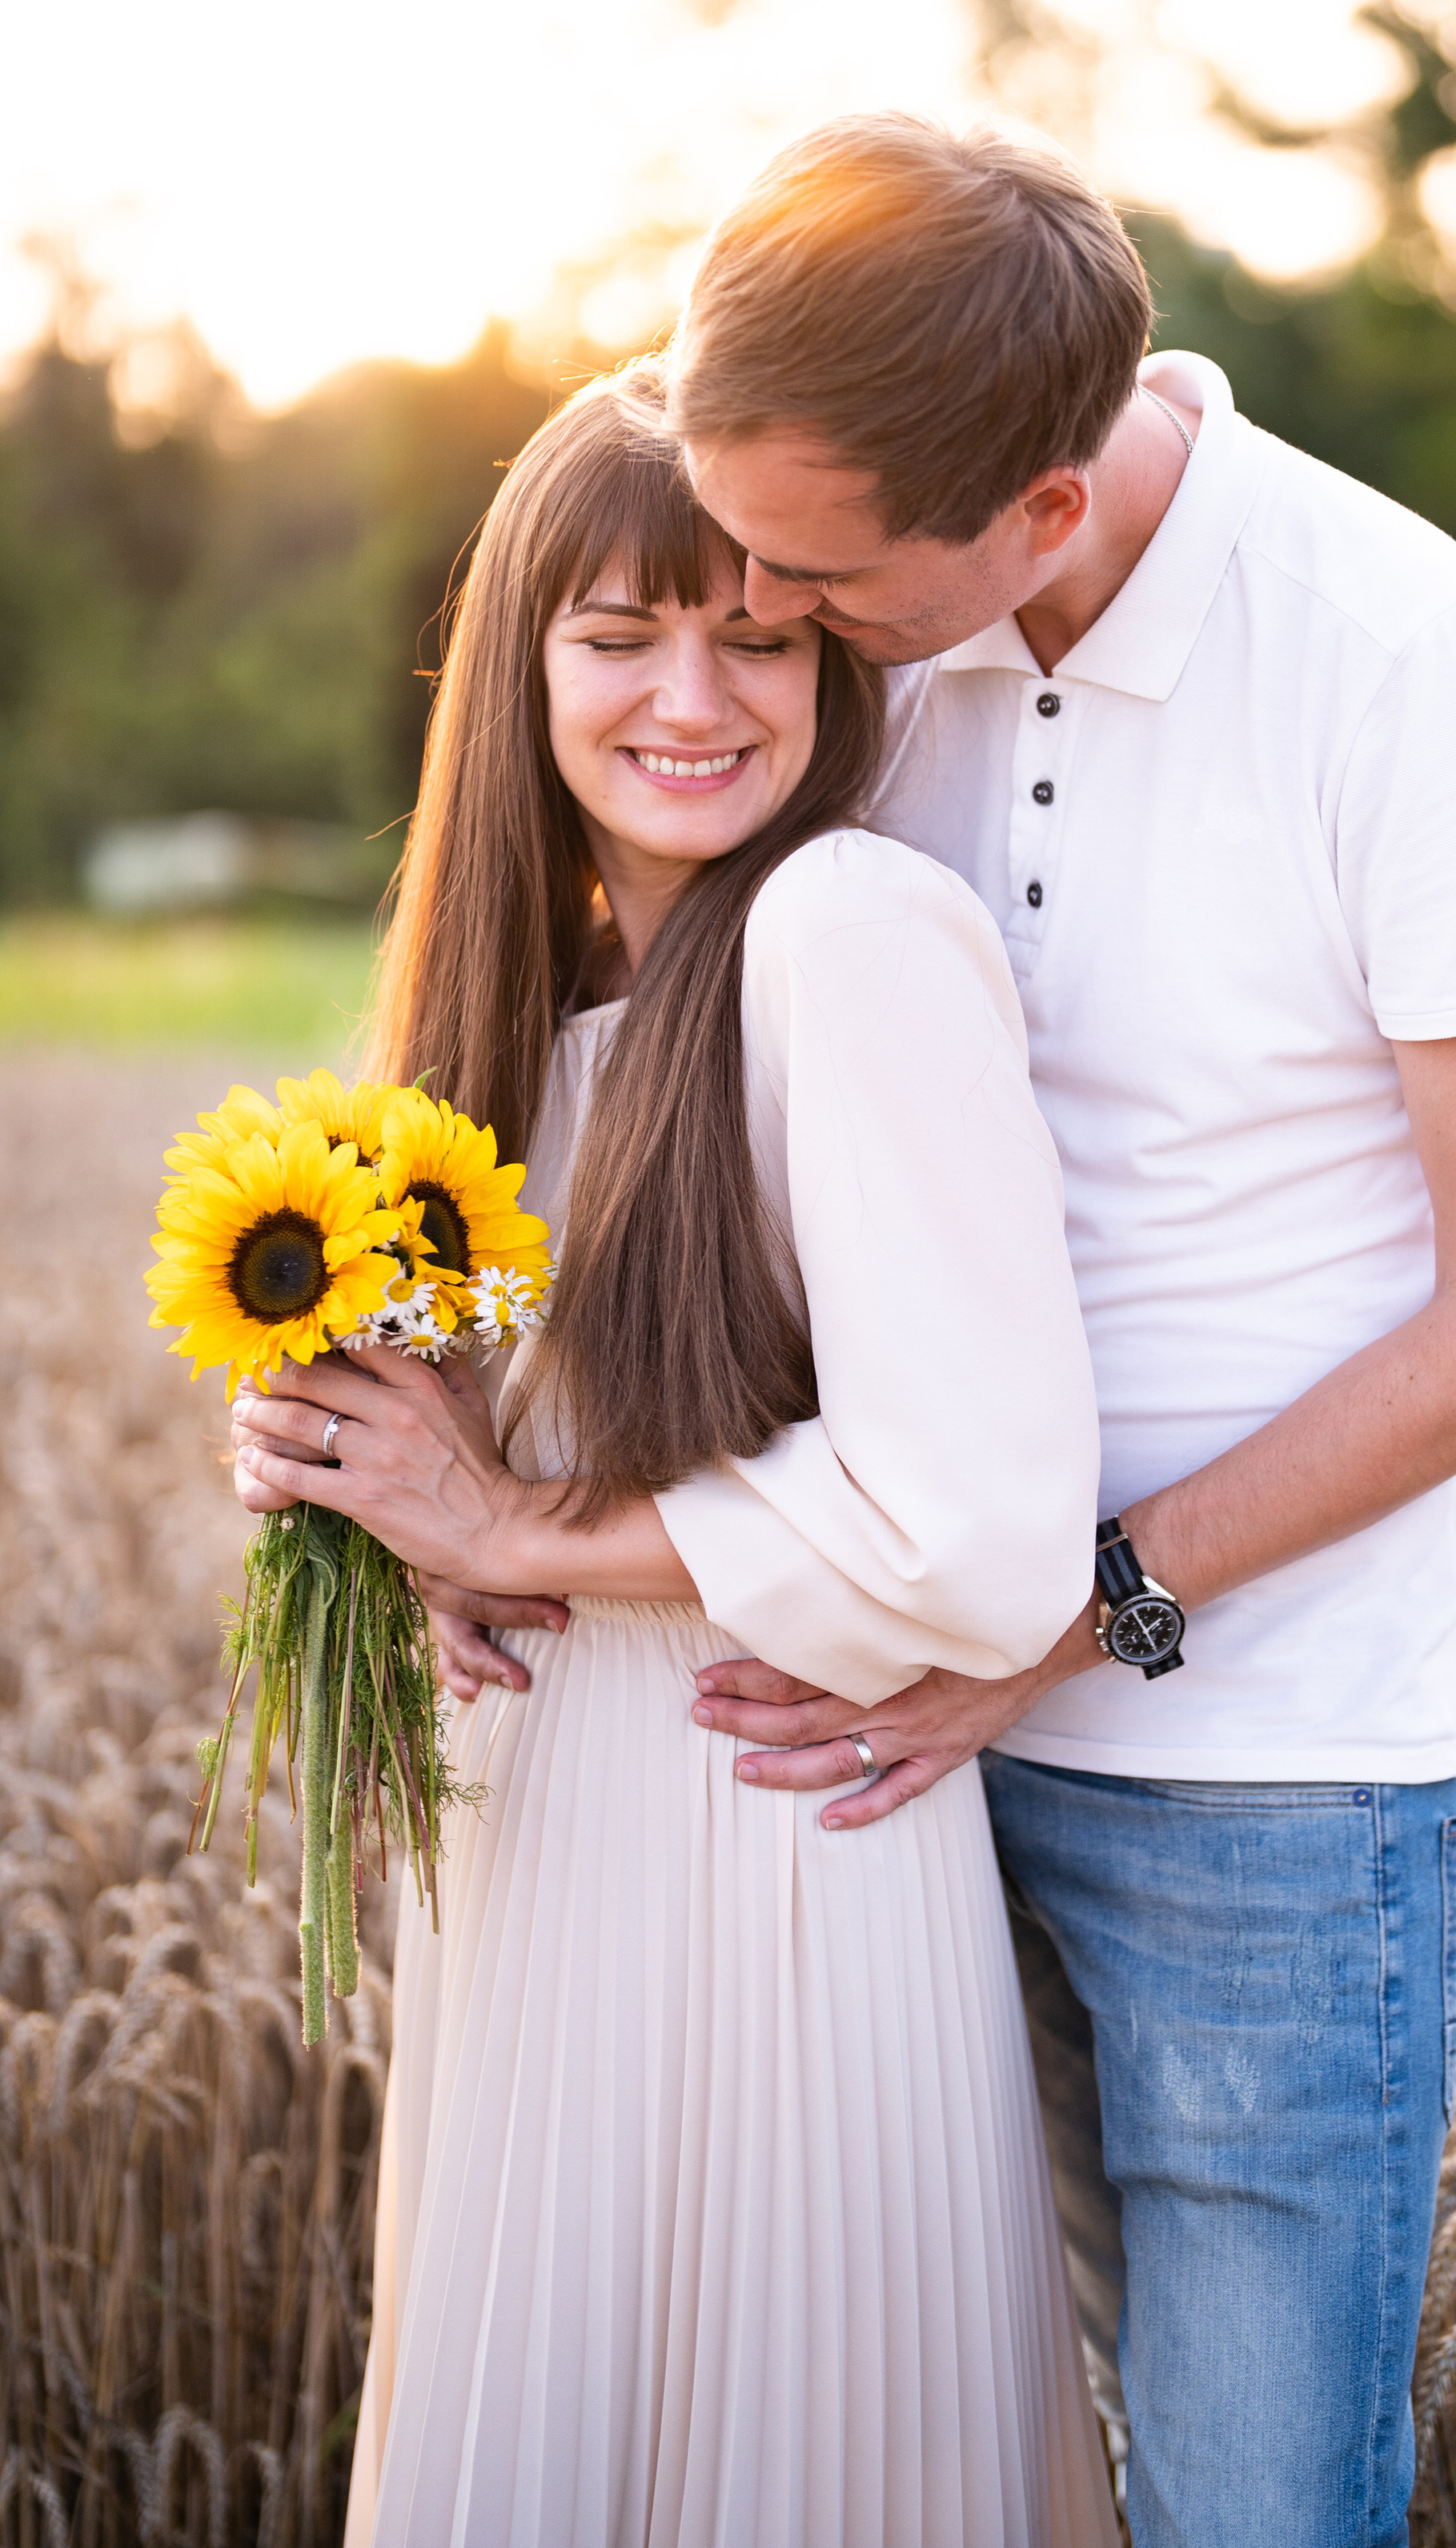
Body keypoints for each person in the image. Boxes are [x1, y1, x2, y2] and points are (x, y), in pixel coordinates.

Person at [463, 111, 1456, 2548]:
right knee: (931, 2475)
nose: (760, 614)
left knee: (1244, 2506)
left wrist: (1067, 1619)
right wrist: (403, 1432)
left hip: (1266, 1779)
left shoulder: (1406, 670)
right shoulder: (867, 616)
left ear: (1043, 511)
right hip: (859, 1739)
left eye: (809, 584)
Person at [228, 370, 1121, 2548]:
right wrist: (344, 1466)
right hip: (539, 1848)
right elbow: (484, 1443)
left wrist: (508, 1521)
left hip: (770, 1840)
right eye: (622, 636)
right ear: (522, 667)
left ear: (836, 663)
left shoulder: (846, 928)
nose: (695, 700)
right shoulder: (505, 1013)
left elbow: (978, 1523)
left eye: (761, 637)